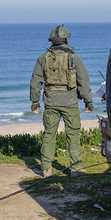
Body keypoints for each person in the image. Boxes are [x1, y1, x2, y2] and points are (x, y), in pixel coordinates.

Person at [30, 25, 94, 177]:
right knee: (73, 134)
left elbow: (35, 81)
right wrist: (88, 101)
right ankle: (76, 168)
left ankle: (46, 168)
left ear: (52, 40)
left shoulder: (43, 59)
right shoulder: (74, 57)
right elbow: (83, 81)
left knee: (49, 135)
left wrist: (35, 101)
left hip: (50, 102)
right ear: (66, 39)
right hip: (70, 102)